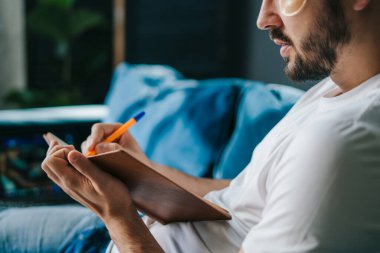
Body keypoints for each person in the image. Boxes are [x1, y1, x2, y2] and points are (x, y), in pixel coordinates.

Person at [1, 0, 380, 252]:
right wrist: (139, 168)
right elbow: (243, 196)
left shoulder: (342, 137)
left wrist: (117, 214)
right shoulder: (336, 88)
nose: (264, 18)